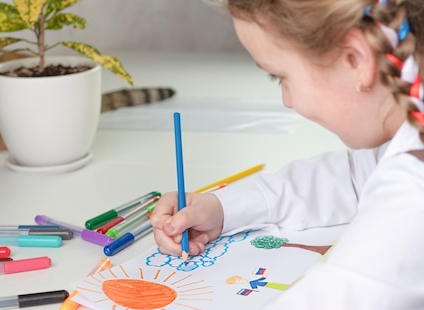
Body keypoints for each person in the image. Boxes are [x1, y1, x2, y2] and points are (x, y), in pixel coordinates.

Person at [150, 0, 424, 308]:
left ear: (356, 59)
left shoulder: (412, 200)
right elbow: (351, 178)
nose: (286, 100)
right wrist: (223, 208)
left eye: (279, 76)